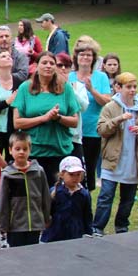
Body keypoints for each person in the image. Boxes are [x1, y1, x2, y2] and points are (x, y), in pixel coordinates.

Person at [92, 72, 138, 235]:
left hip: (133, 159)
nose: (133, 90)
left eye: (134, 87)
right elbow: (101, 130)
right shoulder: (110, 107)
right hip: (113, 160)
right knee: (106, 196)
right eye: (128, 87)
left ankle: (121, 225)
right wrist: (118, 120)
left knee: (128, 198)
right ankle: (98, 226)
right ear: (118, 88)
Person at [12, 51, 81, 187]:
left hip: (59, 150)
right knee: (35, 193)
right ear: (36, 66)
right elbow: (17, 122)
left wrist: (58, 117)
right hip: (34, 151)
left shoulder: (65, 88)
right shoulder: (25, 88)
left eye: (52, 63)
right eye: (44, 63)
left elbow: (74, 122)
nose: (48, 66)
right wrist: (44, 118)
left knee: (58, 192)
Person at [70, 44, 113, 192]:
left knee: (88, 168)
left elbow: (106, 101)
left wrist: (92, 90)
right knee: (72, 168)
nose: (85, 57)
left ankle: (85, 197)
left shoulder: (101, 77)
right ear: (76, 57)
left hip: (92, 130)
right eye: (82, 54)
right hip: (72, 131)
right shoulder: (69, 76)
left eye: (89, 55)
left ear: (94, 59)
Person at [0, 131, 50, 248]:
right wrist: (3, 225)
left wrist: (46, 217)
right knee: (16, 254)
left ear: (30, 150)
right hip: (15, 225)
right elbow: (3, 202)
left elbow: (45, 196)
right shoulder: (7, 175)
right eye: (17, 149)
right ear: (10, 150)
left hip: (35, 224)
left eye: (25, 149)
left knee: (33, 252)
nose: (21, 152)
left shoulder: (38, 171)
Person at [41, 156, 92, 242]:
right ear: (62, 174)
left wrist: (88, 232)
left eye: (78, 174)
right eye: (71, 174)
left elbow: (87, 215)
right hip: (55, 233)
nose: (75, 178)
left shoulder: (84, 194)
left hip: (75, 233)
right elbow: (47, 211)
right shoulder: (55, 192)